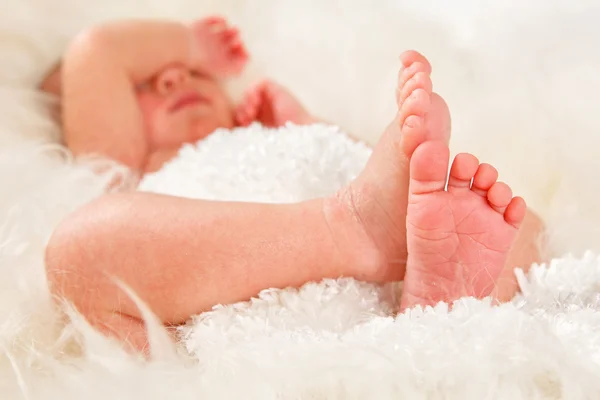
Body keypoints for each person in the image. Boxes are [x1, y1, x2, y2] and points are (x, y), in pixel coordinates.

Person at [41, 17, 544, 353]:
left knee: (510, 219)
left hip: (387, 290)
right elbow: (97, 50)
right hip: (229, 324)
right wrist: (195, 46)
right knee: (78, 252)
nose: (175, 77)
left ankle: (446, 308)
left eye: (194, 73)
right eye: (141, 86)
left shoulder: (274, 134)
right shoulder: (129, 167)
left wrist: (309, 125)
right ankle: (350, 230)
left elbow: (380, 178)